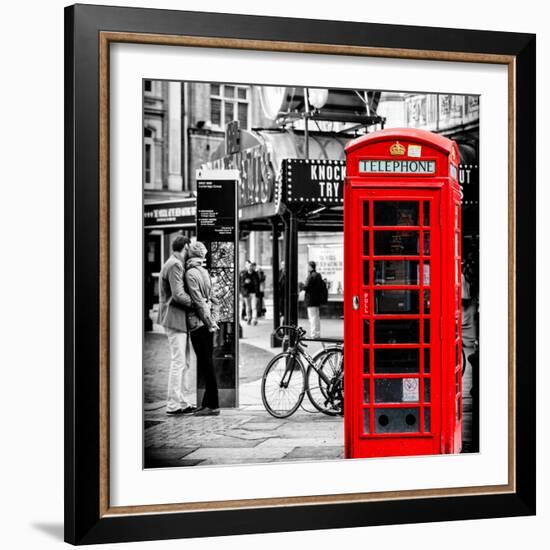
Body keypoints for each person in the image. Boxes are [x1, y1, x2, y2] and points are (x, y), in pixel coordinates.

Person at [157, 235, 196, 415]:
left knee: (184, 362)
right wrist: (197, 303)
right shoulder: (175, 264)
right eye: (189, 248)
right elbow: (178, 295)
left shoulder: (173, 262)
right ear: (185, 246)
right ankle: (173, 404)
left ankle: (182, 401)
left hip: (177, 319)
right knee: (179, 361)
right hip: (174, 319)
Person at [185, 241, 221, 416]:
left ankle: (213, 405)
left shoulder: (191, 273)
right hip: (207, 324)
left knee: (206, 365)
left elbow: (199, 302)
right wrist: (213, 319)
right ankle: (208, 402)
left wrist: (208, 321)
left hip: (198, 324)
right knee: (208, 363)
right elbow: (213, 299)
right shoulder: (204, 272)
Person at [300, 261, 325, 339]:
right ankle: (317, 333)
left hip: (310, 300)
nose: (307, 268)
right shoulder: (318, 275)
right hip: (317, 300)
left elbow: (306, 287)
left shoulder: (310, 276)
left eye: (308, 266)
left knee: (312, 317)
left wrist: (301, 285)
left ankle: (313, 334)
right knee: (317, 317)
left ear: (311, 267)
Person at [239, 260, 260, 325]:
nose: (250, 267)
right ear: (246, 266)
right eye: (248, 266)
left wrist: (257, 294)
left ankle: (254, 319)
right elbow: (240, 284)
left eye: (250, 266)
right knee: (248, 307)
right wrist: (245, 282)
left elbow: (257, 284)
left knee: (254, 307)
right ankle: (249, 318)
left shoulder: (255, 274)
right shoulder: (243, 274)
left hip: (253, 293)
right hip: (246, 293)